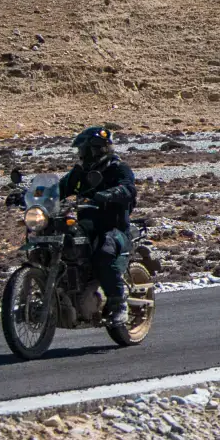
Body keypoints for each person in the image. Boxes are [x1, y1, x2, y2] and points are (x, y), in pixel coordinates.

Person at [59, 124, 137, 334]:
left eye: (82, 150)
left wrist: (109, 194)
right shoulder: (80, 173)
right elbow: (58, 188)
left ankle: (118, 304)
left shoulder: (117, 168)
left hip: (114, 229)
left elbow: (128, 188)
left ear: (95, 149)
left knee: (104, 253)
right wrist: (29, 196)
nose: (80, 155)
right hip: (87, 228)